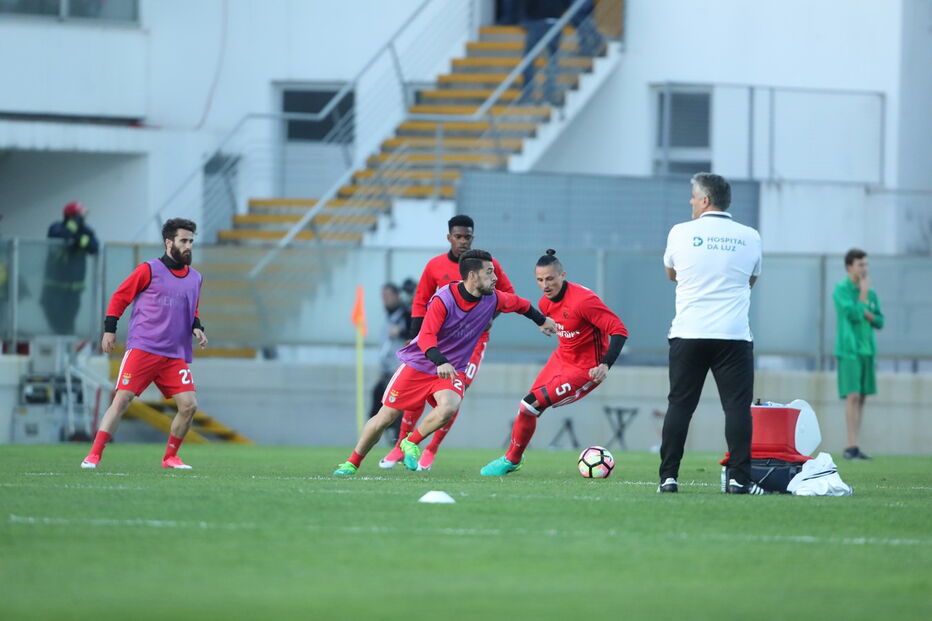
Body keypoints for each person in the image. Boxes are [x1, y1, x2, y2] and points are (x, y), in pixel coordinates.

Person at [334, 249, 556, 476]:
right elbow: (427, 336)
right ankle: (352, 462)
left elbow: (521, 304)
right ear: (472, 276)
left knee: (449, 406)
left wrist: (542, 320)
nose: (495, 277)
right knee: (386, 416)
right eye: (489, 272)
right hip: (420, 364)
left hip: (452, 369)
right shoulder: (444, 299)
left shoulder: (493, 298)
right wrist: (440, 361)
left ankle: (410, 442)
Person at [378, 214, 514, 471]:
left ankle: (430, 450)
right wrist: (415, 335)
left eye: (468, 237)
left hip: (473, 343)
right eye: (459, 237)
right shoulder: (435, 266)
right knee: (416, 392)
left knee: (454, 395)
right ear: (449, 237)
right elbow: (420, 301)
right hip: (438, 343)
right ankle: (401, 446)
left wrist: (490, 316)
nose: (463, 241)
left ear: (473, 238)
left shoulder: (488, 264)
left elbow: (509, 296)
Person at [659, 173, 763, 495]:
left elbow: (671, 273)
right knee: (736, 408)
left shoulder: (680, 232)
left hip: (689, 332)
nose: (690, 201)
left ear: (705, 200)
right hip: (732, 335)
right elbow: (751, 280)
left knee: (680, 405)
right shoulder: (750, 236)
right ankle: (738, 479)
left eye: (693, 196)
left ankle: (669, 477)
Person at [481, 249, 628, 475]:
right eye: (540, 280)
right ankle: (514, 459)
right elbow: (557, 322)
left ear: (562, 275)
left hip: (585, 369)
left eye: (550, 278)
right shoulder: (545, 303)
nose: (545, 284)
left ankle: (510, 459)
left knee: (530, 404)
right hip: (561, 359)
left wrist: (605, 364)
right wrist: (543, 324)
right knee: (527, 409)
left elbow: (619, 330)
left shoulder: (584, 301)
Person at [81, 218, 207, 470]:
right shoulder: (148, 270)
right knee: (122, 400)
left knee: (189, 406)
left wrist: (197, 327)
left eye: (191, 241)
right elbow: (120, 297)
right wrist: (109, 330)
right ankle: (94, 454)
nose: (188, 246)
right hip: (144, 348)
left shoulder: (195, 278)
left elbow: (192, 309)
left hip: (174, 355)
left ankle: (170, 457)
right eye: (183, 240)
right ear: (168, 242)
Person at [833, 248, 883, 460]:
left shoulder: (871, 293)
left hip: (867, 350)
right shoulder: (841, 289)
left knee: (861, 397)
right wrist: (862, 294)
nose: (864, 269)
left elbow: (880, 321)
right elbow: (852, 315)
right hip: (849, 350)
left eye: (866, 264)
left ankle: (856, 444)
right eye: (860, 264)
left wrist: (867, 309)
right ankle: (850, 444)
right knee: (852, 396)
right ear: (849, 267)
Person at [40, 201, 99, 335]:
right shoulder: (56, 228)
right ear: (72, 217)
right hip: (53, 291)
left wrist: (79, 240)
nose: (83, 219)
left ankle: (67, 353)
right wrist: (76, 232)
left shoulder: (86, 231)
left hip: (72, 293)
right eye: (80, 216)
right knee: (55, 325)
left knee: (68, 326)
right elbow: (61, 235)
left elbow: (93, 246)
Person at [368, 283, 414, 443]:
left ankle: (400, 440)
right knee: (377, 401)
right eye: (383, 296)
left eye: (388, 295)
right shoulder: (389, 316)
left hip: (398, 369)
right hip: (387, 371)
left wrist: (400, 332)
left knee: (397, 407)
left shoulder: (405, 314)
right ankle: (382, 435)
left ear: (397, 295)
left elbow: (415, 332)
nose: (385, 299)